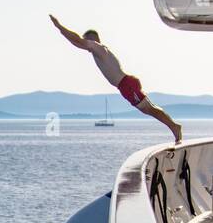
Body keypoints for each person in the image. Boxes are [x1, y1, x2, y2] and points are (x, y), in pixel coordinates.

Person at [50, 16, 183, 143]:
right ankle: (173, 126)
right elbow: (77, 42)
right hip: (125, 85)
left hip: (126, 84)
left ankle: (174, 126)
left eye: (87, 41)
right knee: (148, 108)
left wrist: (59, 26)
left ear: (92, 39)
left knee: (148, 109)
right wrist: (62, 32)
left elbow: (78, 41)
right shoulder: (99, 50)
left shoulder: (98, 47)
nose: (85, 46)